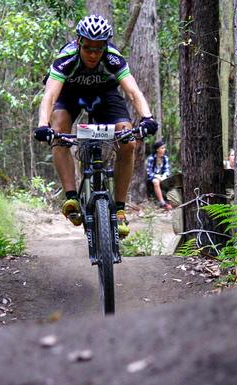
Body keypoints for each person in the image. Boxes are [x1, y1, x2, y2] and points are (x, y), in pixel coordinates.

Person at [34, 15, 158, 238]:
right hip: (70, 94)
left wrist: (147, 117)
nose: (93, 54)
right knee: (59, 128)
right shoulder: (67, 57)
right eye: (88, 48)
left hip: (105, 95)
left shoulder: (112, 57)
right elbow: (50, 95)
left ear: (105, 46)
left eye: (98, 49)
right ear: (79, 42)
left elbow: (132, 91)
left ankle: (119, 209)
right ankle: (71, 196)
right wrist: (43, 125)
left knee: (127, 139)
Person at [146, 140, 172, 210]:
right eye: (162, 148)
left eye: (164, 148)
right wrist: (156, 176)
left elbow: (167, 170)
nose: (164, 149)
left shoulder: (165, 158)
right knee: (156, 182)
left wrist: (164, 176)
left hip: (161, 176)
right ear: (157, 149)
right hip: (153, 177)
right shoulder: (151, 158)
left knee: (170, 181)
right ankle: (162, 202)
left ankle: (171, 200)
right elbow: (149, 172)